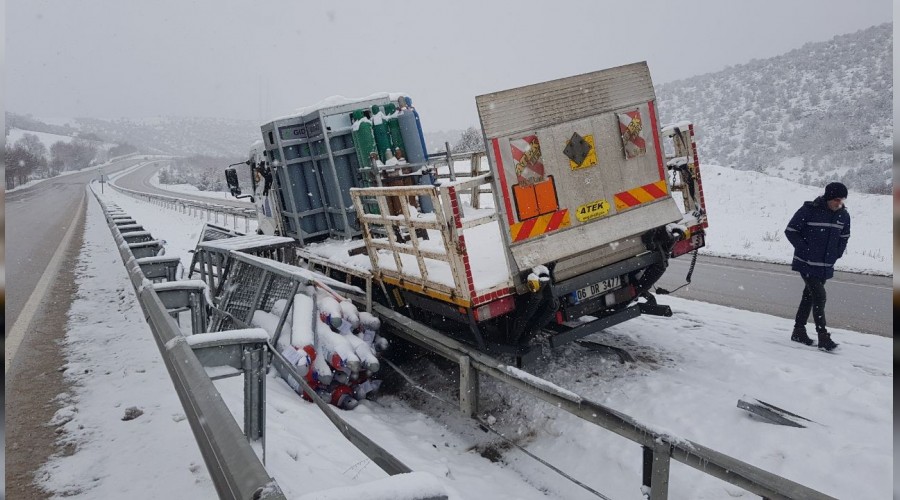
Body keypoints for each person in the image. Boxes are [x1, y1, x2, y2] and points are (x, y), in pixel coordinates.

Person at [784, 182, 851, 351]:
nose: (839, 203)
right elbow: (791, 230)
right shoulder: (809, 210)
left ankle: (798, 331)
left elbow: (845, 236)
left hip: (825, 264)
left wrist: (837, 253)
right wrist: (805, 249)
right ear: (828, 197)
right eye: (836, 199)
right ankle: (823, 335)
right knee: (819, 296)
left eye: (841, 200)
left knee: (809, 296)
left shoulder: (843, 215)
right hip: (806, 263)